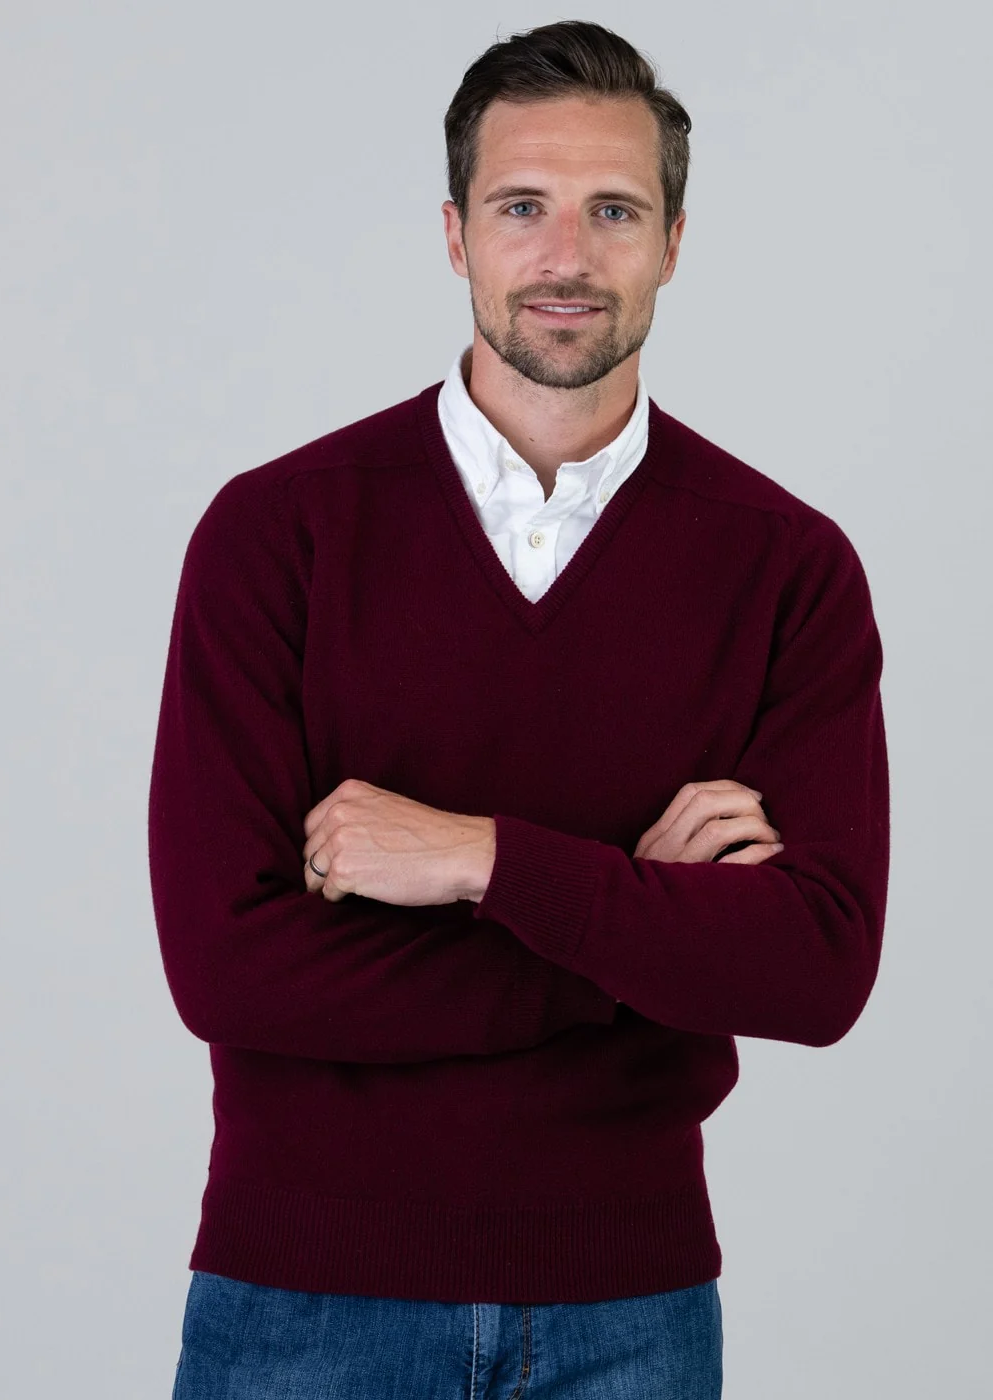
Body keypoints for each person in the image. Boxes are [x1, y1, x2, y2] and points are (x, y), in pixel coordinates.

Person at [148, 18, 890, 1399]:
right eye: (520, 207)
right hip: (305, 1302)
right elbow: (227, 968)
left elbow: (815, 969)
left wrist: (478, 861)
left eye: (613, 210)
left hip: (632, 1306)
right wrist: (637, 929)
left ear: (673, 242)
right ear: (454, 235)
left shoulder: (787, 566)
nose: (565, 256)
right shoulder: (277, 533)